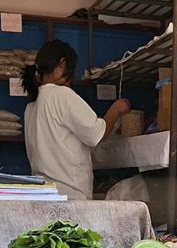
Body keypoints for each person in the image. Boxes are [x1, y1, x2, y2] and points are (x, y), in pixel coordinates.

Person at [23, 39, 131, 200]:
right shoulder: (62, 95)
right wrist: (117, 109)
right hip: (69, 193)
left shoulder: (31, 107)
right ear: (62, 64)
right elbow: (97, 134)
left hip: (43, 193)